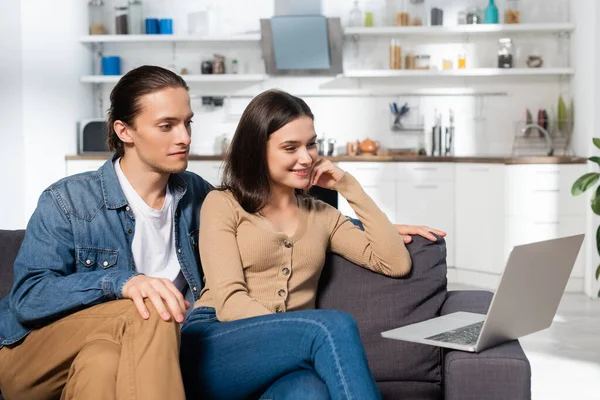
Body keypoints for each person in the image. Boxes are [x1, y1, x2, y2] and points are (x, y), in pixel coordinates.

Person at [0, 65, 444, 400]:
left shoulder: (195, 194)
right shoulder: (70, 200)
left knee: (305, 388)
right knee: (154, 310)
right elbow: (28, 297)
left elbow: (264, 215)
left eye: (188, 123)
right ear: (124, 131)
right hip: (77, 341)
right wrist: (122, 281)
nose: (185, 137)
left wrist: (364, 218)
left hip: (142, 350)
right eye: (167, 125)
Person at [179, 89, 445, 400]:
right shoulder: (222, 204)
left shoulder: (323, 217)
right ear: (256, 151)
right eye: (290, 147)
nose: (306, 158)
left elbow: (395, 263)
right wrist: (299, 332)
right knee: (330, 326)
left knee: (310, 391)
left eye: (311, 144)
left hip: (288, 357)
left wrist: (349, 186)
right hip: (218, 342)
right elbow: (229, 300)